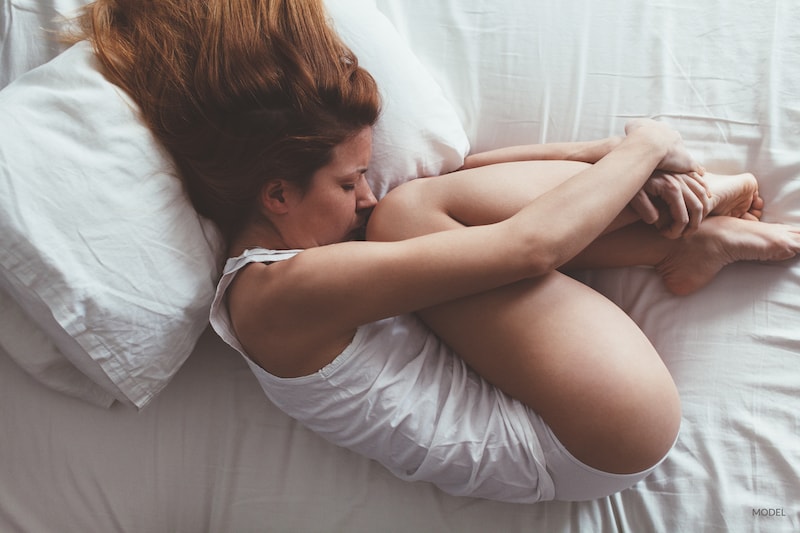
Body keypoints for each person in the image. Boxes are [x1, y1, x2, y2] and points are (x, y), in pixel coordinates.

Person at [74, 0, 800, 502]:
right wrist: (649, 142)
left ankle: (691, 241)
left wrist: (607, 152)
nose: (362, 195)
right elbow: (528, 247)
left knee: (411, 207)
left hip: (585, 403)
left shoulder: (306, 253)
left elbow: (465, 191)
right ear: (276, 194)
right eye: (349, 178)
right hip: (596, 433)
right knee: (407, 213)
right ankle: (686, 229)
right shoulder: (279, 296)